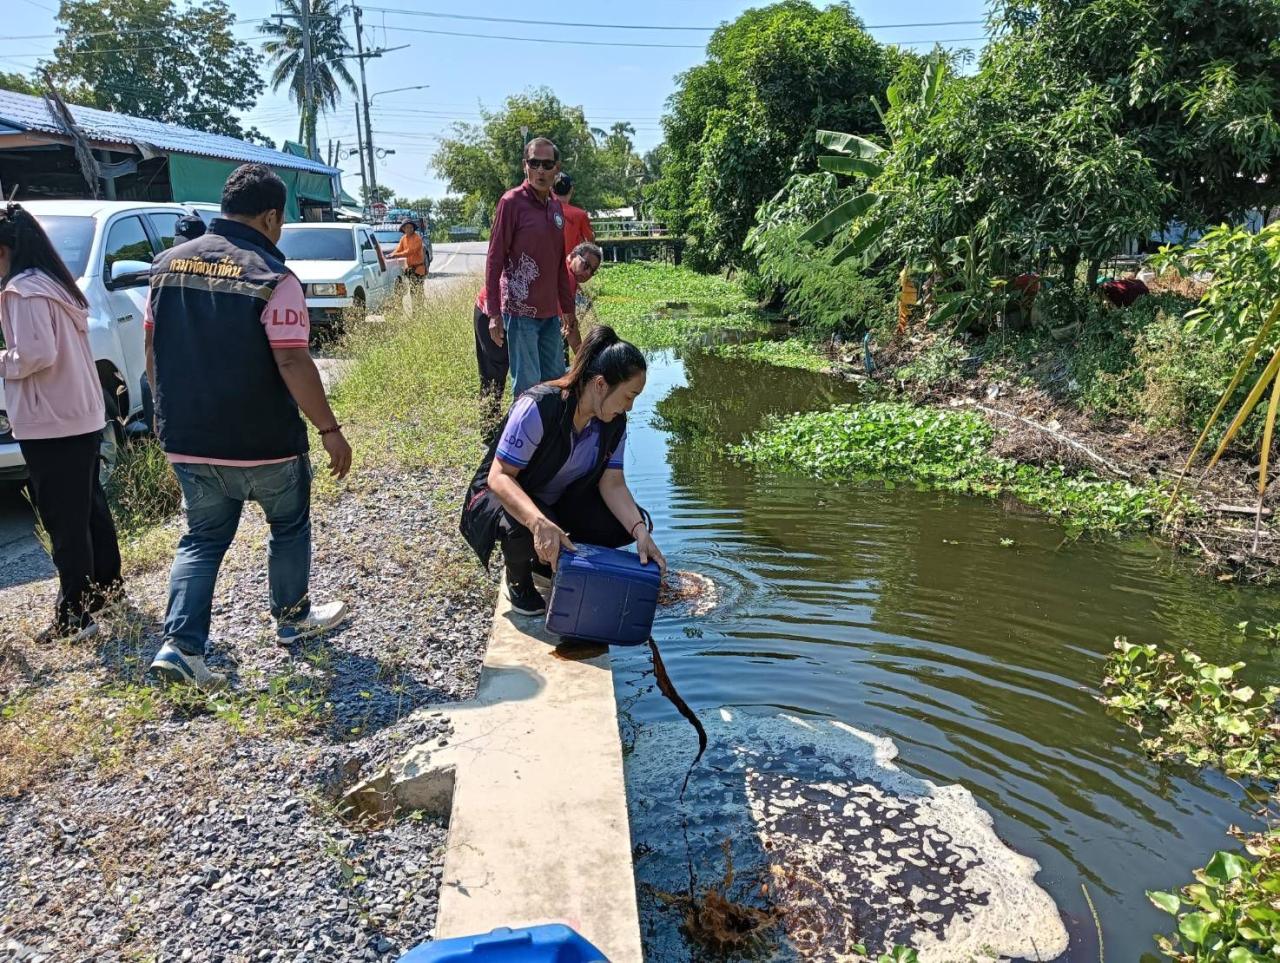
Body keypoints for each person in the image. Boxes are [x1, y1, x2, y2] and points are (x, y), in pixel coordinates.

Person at [145, 163, 353, 690]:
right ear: (269, 216)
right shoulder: (273, 278)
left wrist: (163, 416)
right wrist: (329, 430)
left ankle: (181, 647)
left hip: (189, 440)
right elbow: (292, 361)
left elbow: (152, 349)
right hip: (264, 443)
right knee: (287, 525)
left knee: (201, 539)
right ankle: (291, 621)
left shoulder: (165, 267)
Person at [460, 324, 665, 616]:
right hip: (505, 495)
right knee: (524, 525)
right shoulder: (539, 407)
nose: (629, 407)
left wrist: (641, 532)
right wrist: (537, 523)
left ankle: (546, 562)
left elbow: (613, 484)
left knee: (629, 523)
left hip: (558, 501)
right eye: (629, 396)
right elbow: (499, 477)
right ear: (600, 385)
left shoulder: (614, 423)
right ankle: (518, 578)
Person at [0, 203, 122, 641]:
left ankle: (74, 616)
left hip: (50, 419)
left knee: (63, 520)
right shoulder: (55, 284)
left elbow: (35, 354)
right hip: (80, 413)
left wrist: (2, 360)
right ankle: (107, 589)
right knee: (88, 508)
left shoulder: (21, 290)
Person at [472, 240, 602, 428]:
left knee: (518, 373)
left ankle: (499, 428)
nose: (587, 273)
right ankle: (493, 430)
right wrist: (586, 361)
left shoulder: (569, 278)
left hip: (512, 317)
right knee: (495, 375)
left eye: (592, 271)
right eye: (585, 265)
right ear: (572, 256)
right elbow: (570, 328)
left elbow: (567, 326)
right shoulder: (566, 275)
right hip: (492, 316)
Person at [485, 137, 578, 397]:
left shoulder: (556, 207)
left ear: (556, 169)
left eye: (547, 164)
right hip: (520, 311)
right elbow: (494, 259)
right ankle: (523, 438)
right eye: (534, 163)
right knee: (528, 388)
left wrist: (568, 311)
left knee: (555, 384)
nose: (540, 170)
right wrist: (494, 313)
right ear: (525, 165)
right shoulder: (511, 202)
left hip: (550, 315)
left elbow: (560, 264)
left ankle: (549, 438)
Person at [553, 173, 594, 257]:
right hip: (570, 266)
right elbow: (590, 240)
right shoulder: (580, 214)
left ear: (551, 190)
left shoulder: (541, 212)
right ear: (571, 190)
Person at [391, 219, 427, 285]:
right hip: (409, 269)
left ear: (413, 228)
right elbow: (398, 249)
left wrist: (396, 255)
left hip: (418, 269)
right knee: (412, 290)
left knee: (417, 291)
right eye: (407, 227)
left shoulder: (417, 238)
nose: (409, 229)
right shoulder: (403, 238)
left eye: (411, 227)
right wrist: (391, 254)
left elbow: (409, 251)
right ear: (403, 229)